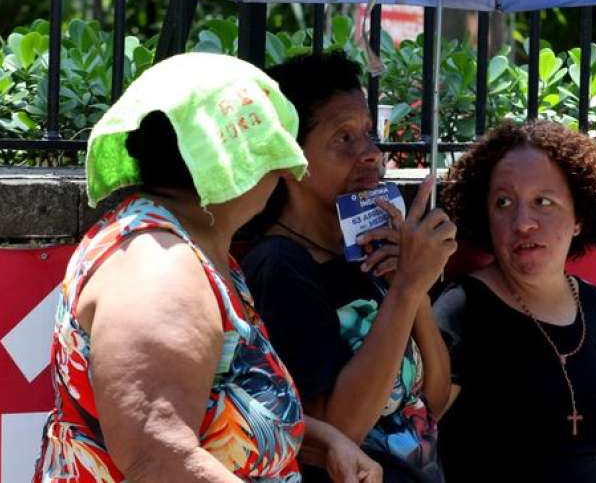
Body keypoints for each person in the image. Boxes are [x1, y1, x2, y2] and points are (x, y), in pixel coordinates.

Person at [34, 53, 381, 483]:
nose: (281, 169)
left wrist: (325, 439)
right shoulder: (159, 267)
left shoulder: (189, 244)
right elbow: (158, 458)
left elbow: (209, 405)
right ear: (234, 160)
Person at [241, 52, 456, 482]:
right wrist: (406, 290)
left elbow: (433, 401)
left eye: (369, 134)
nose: (370, 154)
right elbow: (335, 435)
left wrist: (413, 291)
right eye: (343, 138)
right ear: (288, 159)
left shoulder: (370, 253)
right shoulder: (280, 267)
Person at [433, 120, 596, 483]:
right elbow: (423, 430)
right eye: (503, 203)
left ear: (579, 217)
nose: (522, 222)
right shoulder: (461, 309)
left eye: (543, 202)